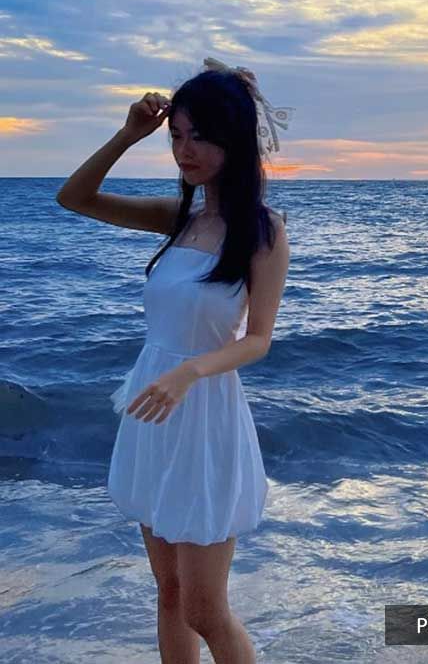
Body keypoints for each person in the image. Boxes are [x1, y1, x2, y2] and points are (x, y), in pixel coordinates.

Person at [56, 58, 293, 664]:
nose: (185, 150)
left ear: (234, 140)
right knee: (167, 593)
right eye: (176, 136)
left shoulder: (262, 231)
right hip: (153, 408)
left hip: (203, 413)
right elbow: (73, 197)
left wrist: (191, 370)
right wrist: (129, 133)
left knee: (204, 608)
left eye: (202, 136)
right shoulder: (179, 219)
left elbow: (259, 339)